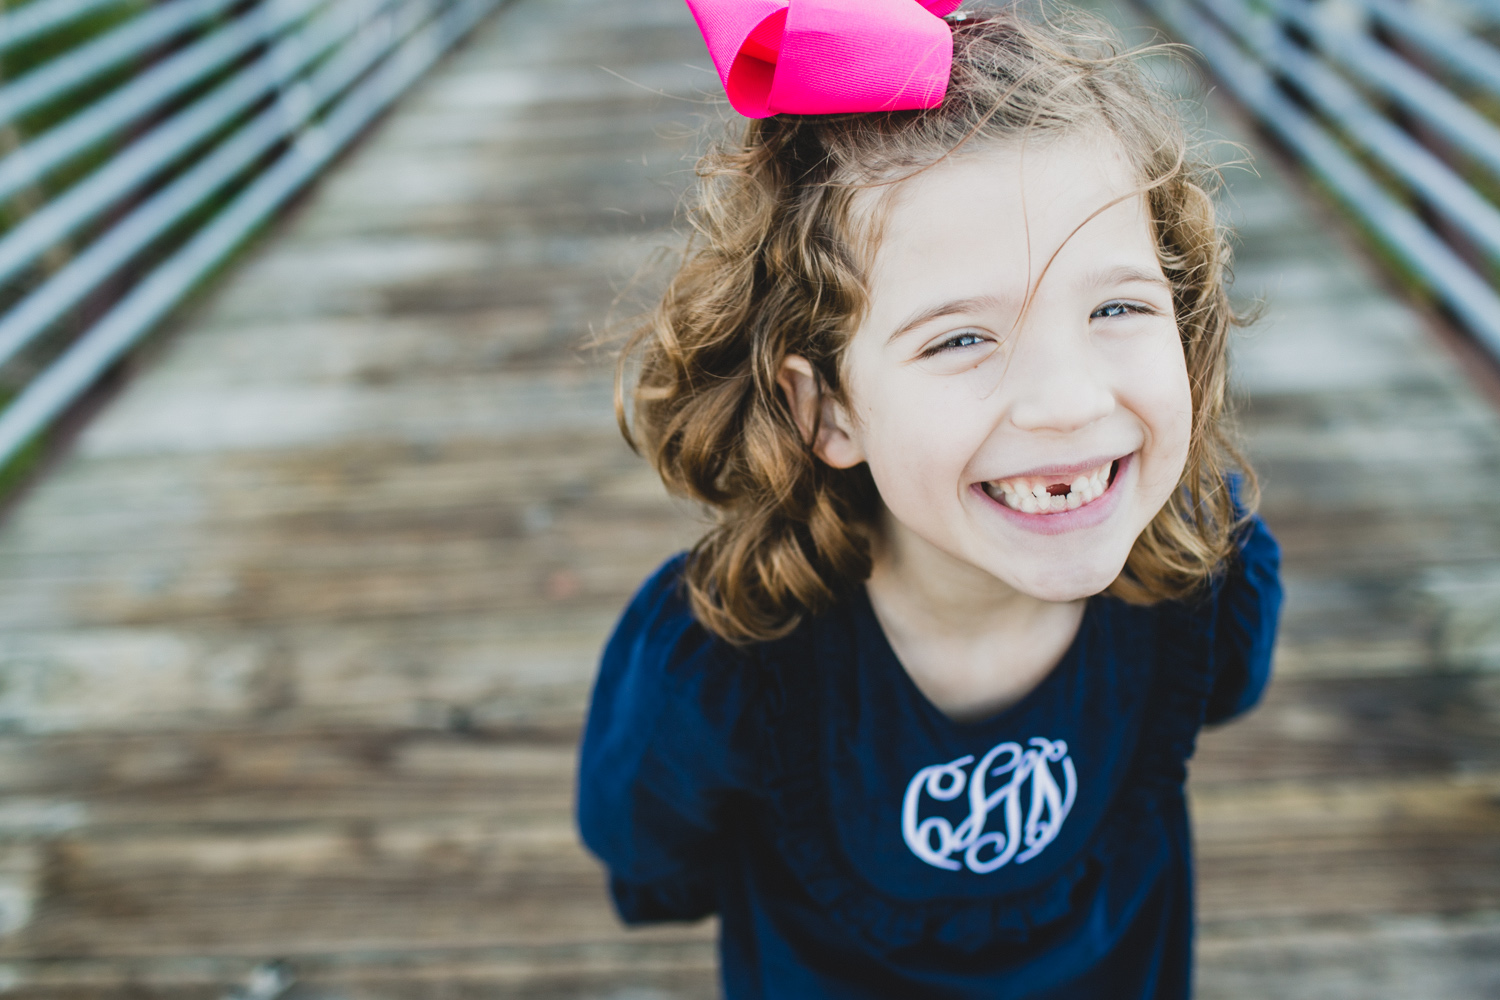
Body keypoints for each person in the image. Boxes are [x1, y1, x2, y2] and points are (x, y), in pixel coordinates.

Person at [577, 1, 1283, 995]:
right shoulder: (718, 667)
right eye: (961, 338)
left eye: (1118, 306)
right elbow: (646, 838)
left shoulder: (1210, 573)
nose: (1068, 402)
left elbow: (1224, 690)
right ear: (825, 408)